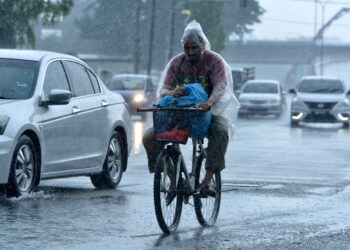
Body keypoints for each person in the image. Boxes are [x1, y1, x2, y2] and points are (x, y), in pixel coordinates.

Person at [142, 20, 239, 200]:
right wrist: (171, 92)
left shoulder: (214, 60)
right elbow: (163, 90)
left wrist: (209, 103)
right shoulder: (177, 63)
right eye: (187, 48)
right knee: (149, 138)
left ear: (202, 44)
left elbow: (220, 86)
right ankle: (174, 180)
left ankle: (206, 182)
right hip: (181, 112)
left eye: (195, 47)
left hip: (207, 112)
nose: (191, 52)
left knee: (220, 132)